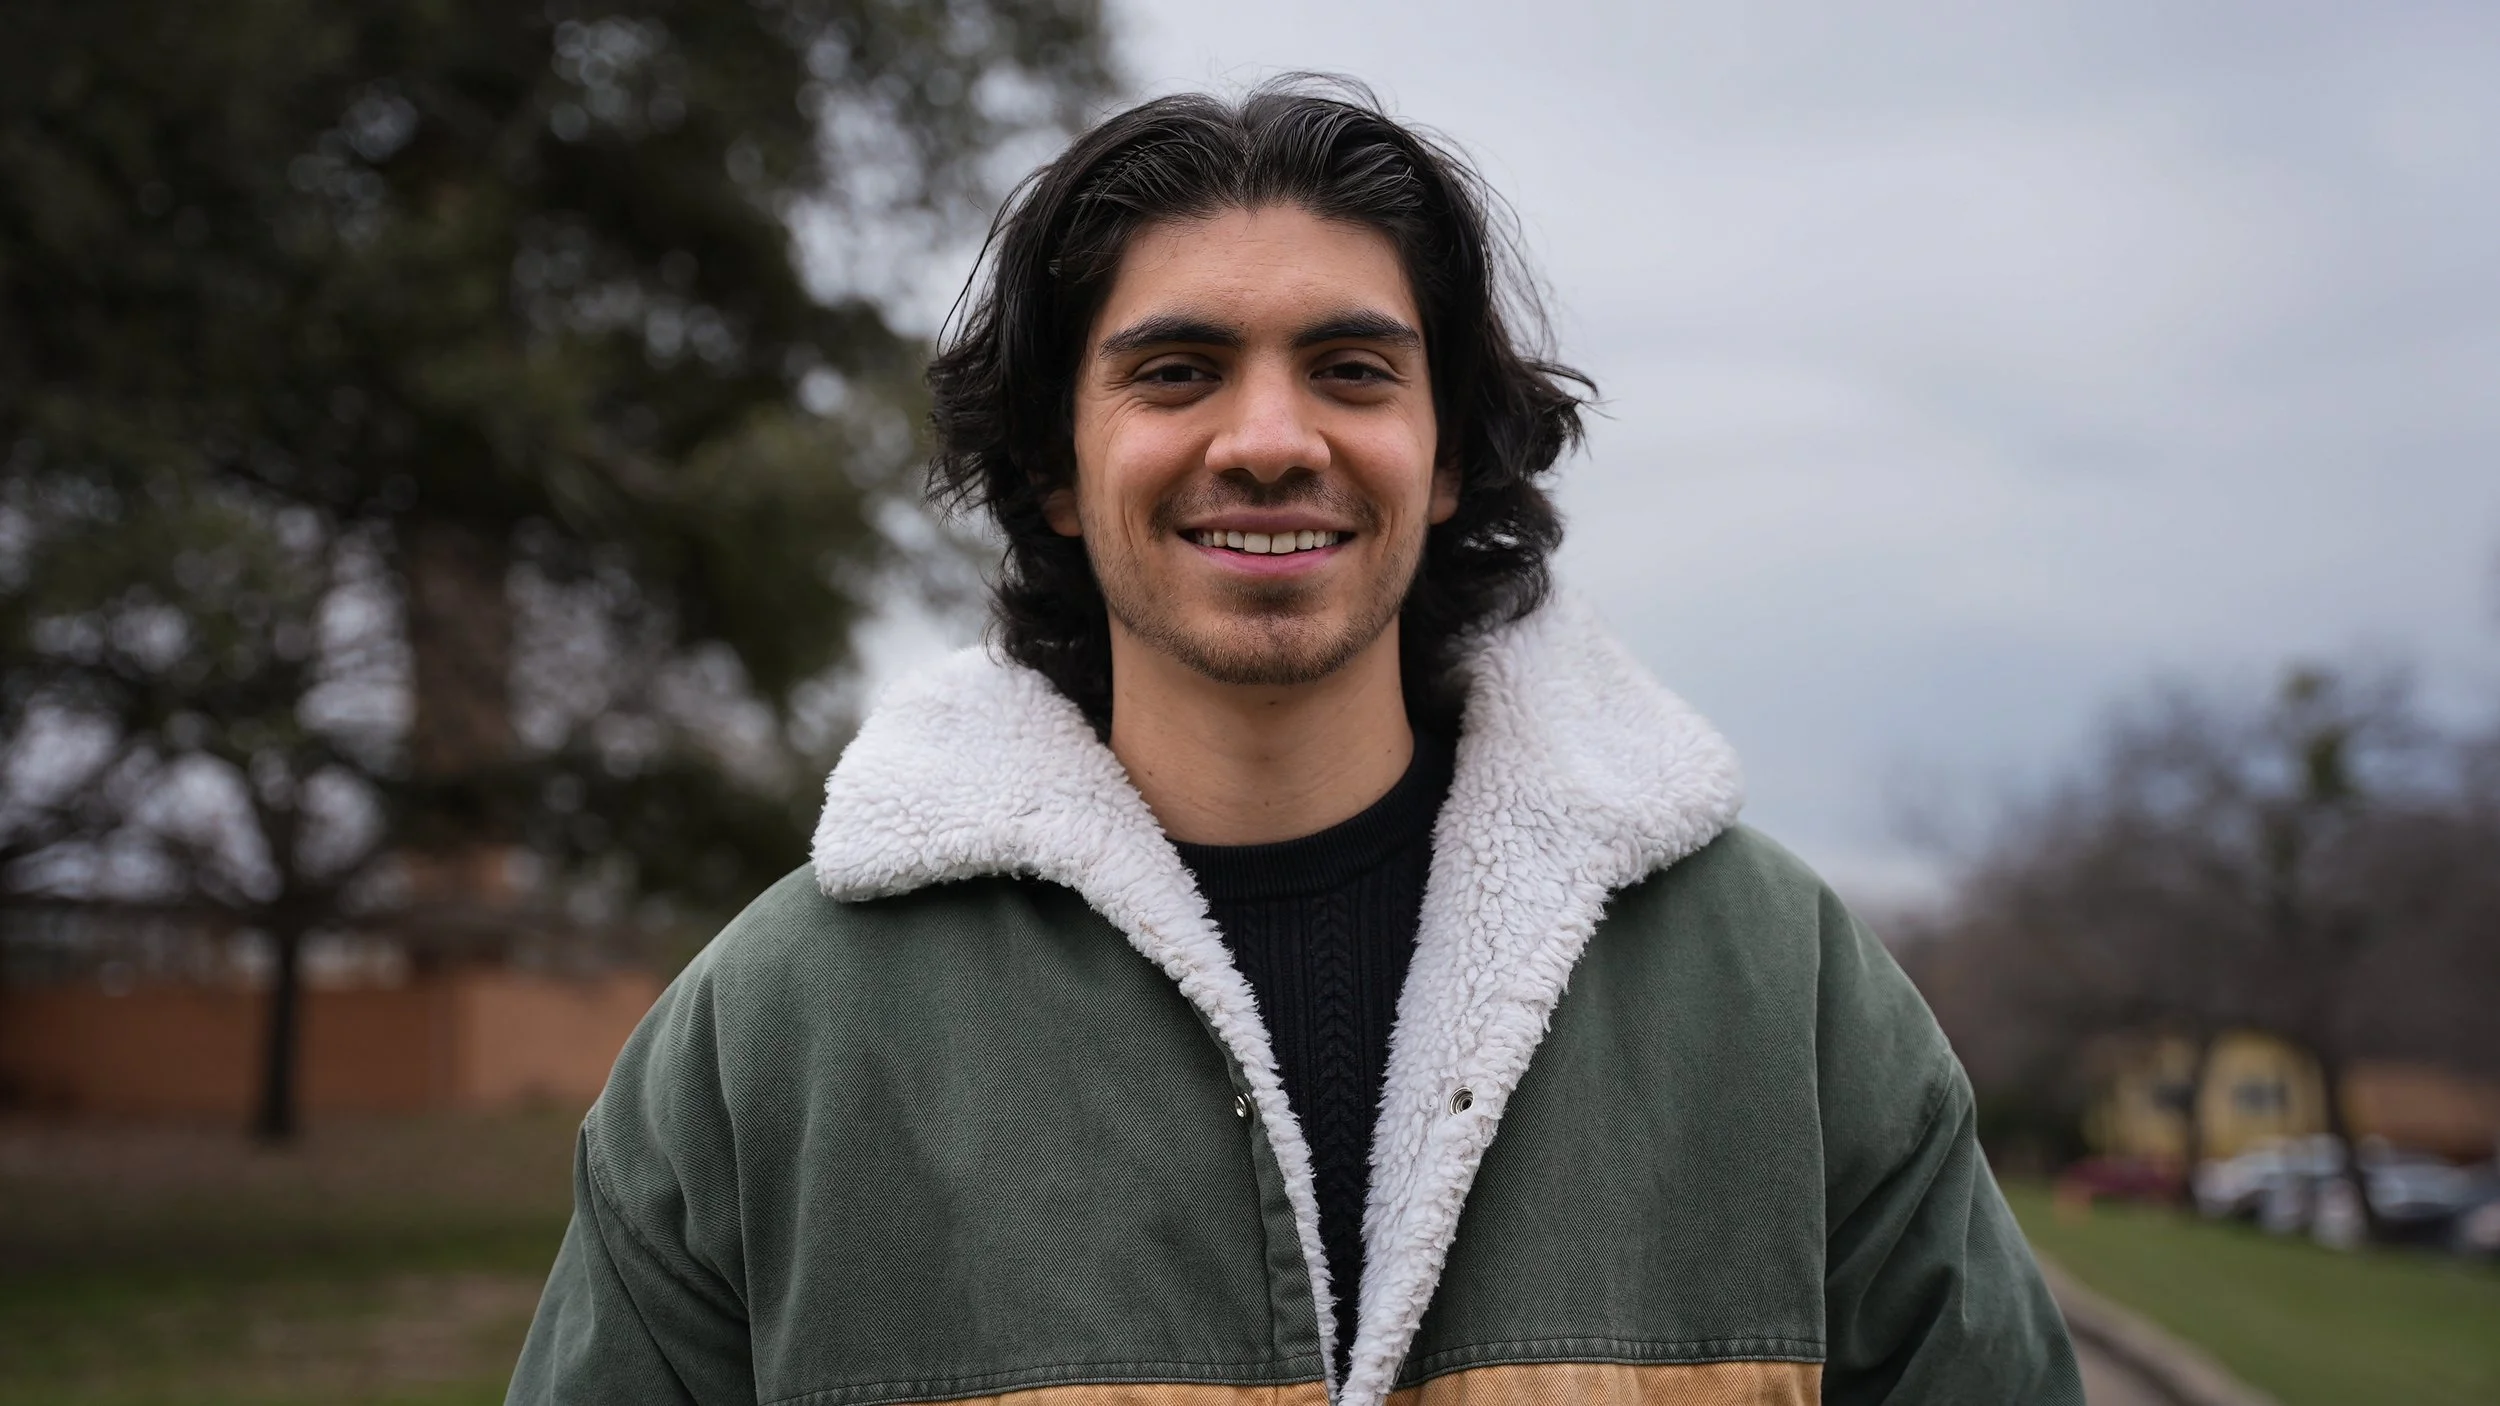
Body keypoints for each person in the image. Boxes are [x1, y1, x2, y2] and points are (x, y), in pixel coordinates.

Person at [508, 80, 2083, 1406]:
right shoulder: (773, 1032)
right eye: (1177, 372)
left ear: (1446, 454)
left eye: (1351, 371)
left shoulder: (1778, 985)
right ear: (1057, 466)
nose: (1270, 442)